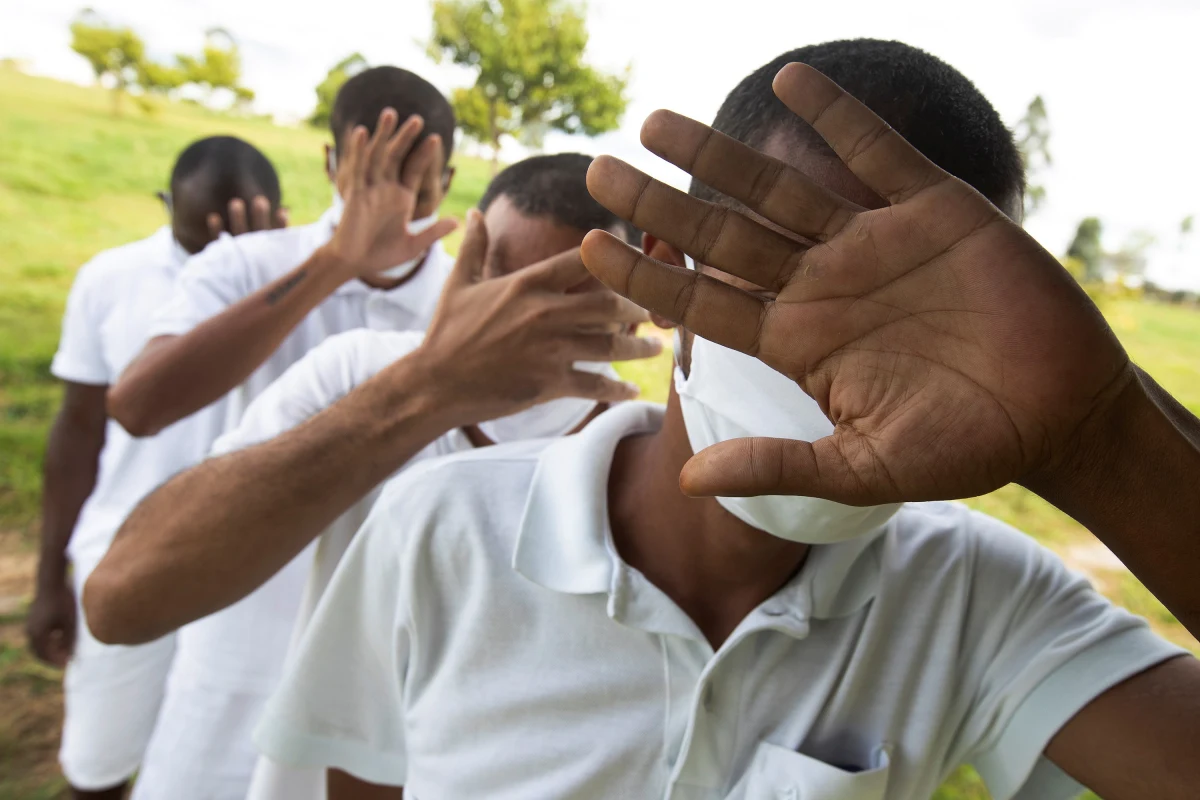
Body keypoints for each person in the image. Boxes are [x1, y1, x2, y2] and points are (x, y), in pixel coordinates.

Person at [259, 40, 1199, 800]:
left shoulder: (975, 598)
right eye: (803, 266)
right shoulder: (442, 530)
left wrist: (1104, 438)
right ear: (673, 269)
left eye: (926, 325)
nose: (850, 378)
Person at [83, 152, 659, 800]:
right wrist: (426, 388)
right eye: (495, 283)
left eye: (553, 296)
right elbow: (120, 601)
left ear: (634, 304)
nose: (507, 320)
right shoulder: (356, 372)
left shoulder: (637, 465)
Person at [25, 135, 283, 800]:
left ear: (279, 213)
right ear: (167, 205)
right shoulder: (111, 279)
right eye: (203, 238)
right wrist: (50, 575)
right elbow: (78, 431)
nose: (219, 257)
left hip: (245, 585)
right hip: (124, 560)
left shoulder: (307, 283)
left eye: (240, 233)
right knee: (99, 762)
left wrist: (271, 277)